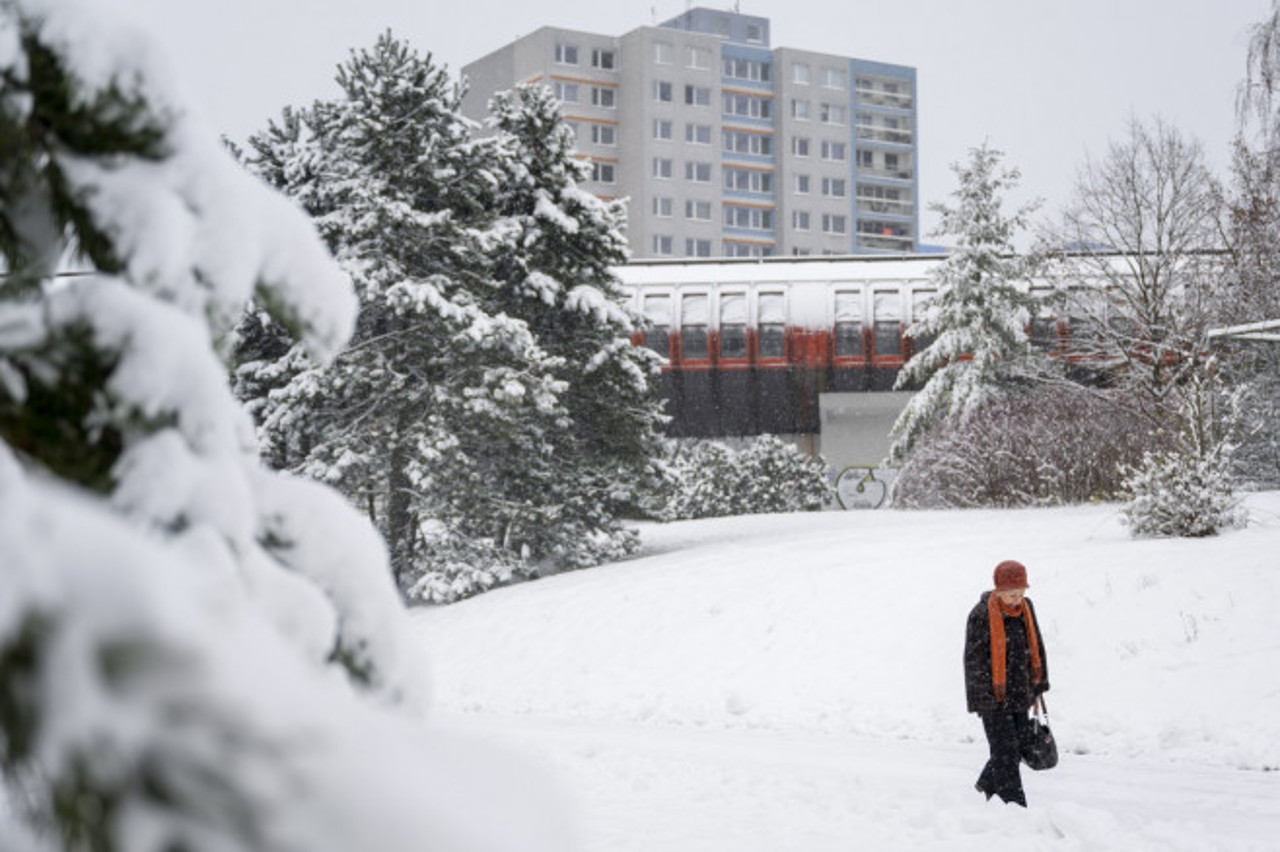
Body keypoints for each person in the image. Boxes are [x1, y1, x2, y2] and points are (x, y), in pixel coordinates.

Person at [964, 559, 1049, 806]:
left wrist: (1039, 682)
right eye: (1011, 594)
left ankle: (987, 783)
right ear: (998, 589)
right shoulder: (980, 615)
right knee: (1005, 752)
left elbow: (1037, 646)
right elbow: (974, 661)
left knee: (1019, 746)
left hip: (1021, 692)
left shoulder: (1027, 609)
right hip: (993, 696)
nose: (1016, 599)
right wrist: (983, 699)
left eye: (1021, 593)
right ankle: (1014, 806)